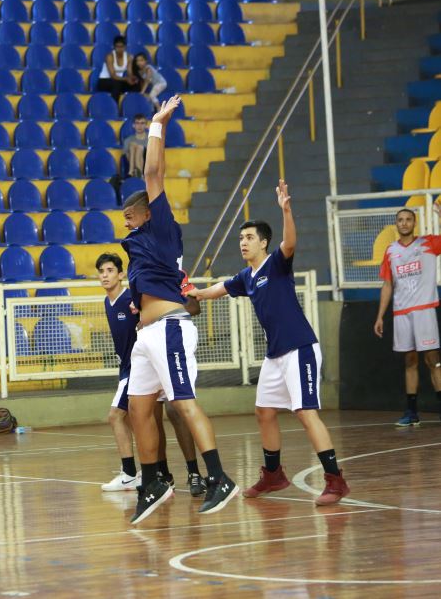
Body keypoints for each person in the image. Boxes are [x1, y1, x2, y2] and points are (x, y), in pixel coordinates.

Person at [189, 180, 350, 506]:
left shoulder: (276, 263)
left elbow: (290, 242)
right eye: (241, 238)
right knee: (264, 411)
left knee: (306, 413)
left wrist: (286, 210)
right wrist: (193, 293)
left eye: (249, 238)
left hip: (300, 348)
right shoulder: (246, 277)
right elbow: (219, 288)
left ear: (264, 243)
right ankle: (273, 475)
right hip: (276, 355)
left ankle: (335, 480)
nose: (243, 243)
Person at [119, 95, 237, 525]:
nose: (125, 223)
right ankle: (154, 481)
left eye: (128, 216)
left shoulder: (162, 227)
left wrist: (157, 125)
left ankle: (220, 476)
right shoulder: (137, 252)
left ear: (143, 212)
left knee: (184, 404)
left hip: (169, 328)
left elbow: (152, 171)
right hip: (145, 336)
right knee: (137, 409)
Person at [97, 253, 207, 498]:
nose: (105, 276)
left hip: (165, 353)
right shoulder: (125, 293)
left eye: (109, 270)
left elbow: (193, 307)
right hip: (138, 365)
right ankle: (162, 474)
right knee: (150, 418)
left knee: (176, 412)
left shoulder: (166, 278)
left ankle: (196, 473)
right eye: (101, 271)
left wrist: (154, 314)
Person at [374, 205, 441, 426]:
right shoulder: (390, 251)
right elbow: (387, 285)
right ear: (397, 224)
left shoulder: (428, 243)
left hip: (424, 311)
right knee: (410, 361)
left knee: (433, 361)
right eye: (400, 219)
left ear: (414, 223)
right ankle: (411, 412)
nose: (404, 223)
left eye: (408, 219)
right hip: (401, 313)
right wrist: (380, 316)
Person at [95, 36, 138, 104]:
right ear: (114, 47)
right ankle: (114, 106)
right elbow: (113, 75)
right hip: (104, 81)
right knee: (117, 84)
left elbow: (129, 73)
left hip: (119, 81)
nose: (119, 49)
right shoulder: (109, 56)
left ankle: (132, 105)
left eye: (121, 46)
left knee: (135, 85)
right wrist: (126, 79)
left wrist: (133, 78)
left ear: (125, 47)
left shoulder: (129, 57)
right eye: (117, 46)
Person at [122, 114, 150, 179]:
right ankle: (136, 173)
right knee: (132, 145)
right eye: (137, 123)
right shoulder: (128, 140)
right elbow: (126, 158)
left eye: (142, 123)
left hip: (147, 166)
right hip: (132, 163)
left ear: (146, 125)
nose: (139, 126)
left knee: (139, 147)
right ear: (133, 125)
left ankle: (132, 172)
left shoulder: (150, 139)